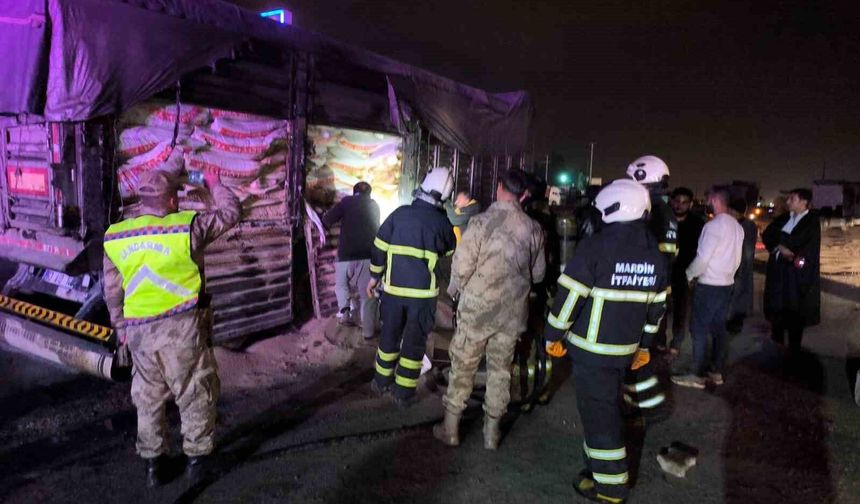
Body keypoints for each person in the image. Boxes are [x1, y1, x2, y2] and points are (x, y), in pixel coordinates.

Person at [103, 169, 241, 487]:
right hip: (181, 328)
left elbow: (112, 288)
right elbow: (231, 212)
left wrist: (119, 325)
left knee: (148, 398)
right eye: (175, 196)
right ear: (169, 199)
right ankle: (197, 461)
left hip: (138, 332)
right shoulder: (185, 228)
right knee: (194, 391)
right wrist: (215, 184)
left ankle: (154, 467)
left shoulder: (117, 235)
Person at [544, 179, 668, 504]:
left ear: (612, 209)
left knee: (601, 419)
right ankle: (595, 469)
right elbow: (657, 311)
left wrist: (552, 336)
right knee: (604, 408)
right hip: (624, 353)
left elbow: (569, 299)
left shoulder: (595, 247)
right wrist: (643, 348)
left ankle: (610, 489)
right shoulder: (654, 255)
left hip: (591, 353)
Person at [433, 170, 546, 449]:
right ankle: (491, 434)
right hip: (511, 314)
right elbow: (540, 274)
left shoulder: (481, 222)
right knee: (500, 371)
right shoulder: (533, 229)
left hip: (477, 312)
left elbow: (461, 267)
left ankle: (450, 429)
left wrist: (454, 292)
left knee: (463, 367)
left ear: (498, 188)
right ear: (525, 195)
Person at [367, 167, 457, 406]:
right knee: (414, 343)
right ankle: (403, 393)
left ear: (423, 186)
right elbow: (449, 251)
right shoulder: (442, 224)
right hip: (423, 297)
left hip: (394, 292)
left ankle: (380, 381)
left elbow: (378, 247)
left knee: (389, 336)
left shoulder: (399, 214)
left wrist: (374, 277)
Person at [672, 186, 744, 389]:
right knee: (719, 329)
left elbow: (702, 259)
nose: (707, 202)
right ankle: (716, 371)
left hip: (709, 285)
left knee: (699, 329)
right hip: (726, 285)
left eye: (708, 199)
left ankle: (696, 373)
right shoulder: (737, 227)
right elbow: (737, 260)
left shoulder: (713, 226)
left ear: (715, 200)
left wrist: (688, 275)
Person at [624, 155, 676, 412]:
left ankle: (636, 404)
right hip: (652, 292)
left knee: (639, 348)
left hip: (646, 294)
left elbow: (661, 259)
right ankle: (636, 398)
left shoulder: (653, 211)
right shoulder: (658, 209)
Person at [762, 188, 821, 357]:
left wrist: (782, 244)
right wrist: (780, 246)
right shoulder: (784, 218)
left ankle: (793, 353)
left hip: (796, 276)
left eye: (792, 199)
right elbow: (767, 235)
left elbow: (800, 244)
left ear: (803, 202)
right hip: (778, 273)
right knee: (777, 310)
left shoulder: (811, 222)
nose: (788, 202)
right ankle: (776, 346)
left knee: (795, 312)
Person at [321, 181, 381, 339]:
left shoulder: (346, 202)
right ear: (369, 193)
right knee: (367, 295)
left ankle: (345, 313)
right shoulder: (374, 205)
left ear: (353, 192)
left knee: (341, 285)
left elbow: (327, 220)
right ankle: (368, 333)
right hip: (368, 256)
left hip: (346, 256)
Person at [668, 187, 705, 355]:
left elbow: (701, 251)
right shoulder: (663, 219)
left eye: (684, 202)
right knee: (658, 308)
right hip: (663, 271)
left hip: (684, 273)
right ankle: (658, 341)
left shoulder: (697, 224)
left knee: (681, 309)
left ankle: (676, 342)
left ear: (690, 204)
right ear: (671, 201)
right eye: (676, 201)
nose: (679, 205)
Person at [726, 197, 758, 334]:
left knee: (739, 298)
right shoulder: (732, 223)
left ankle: (735, 323)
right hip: (731, 268)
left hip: (740, 268)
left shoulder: (748, 226)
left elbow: (747, 250)